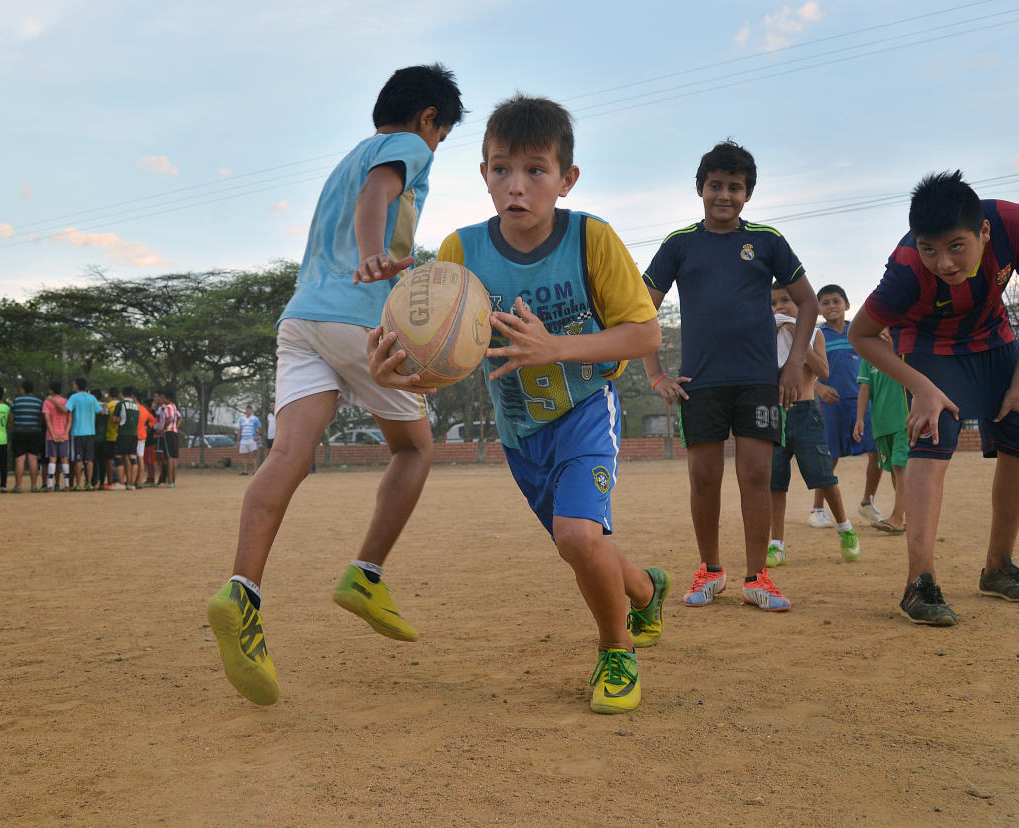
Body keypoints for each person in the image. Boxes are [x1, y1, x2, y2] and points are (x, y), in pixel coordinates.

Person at [378, 94, 671, 714]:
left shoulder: (593, 238)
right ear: (483, 174)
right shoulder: (460, 254)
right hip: (519, 430)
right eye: (501, 168)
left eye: (536, 170)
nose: (518, 186)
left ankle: (615, 650)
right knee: (582, 543)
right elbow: (446, 355)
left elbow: (644, 334)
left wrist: (555, 346)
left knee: (576, 535)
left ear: (566, 179)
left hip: (586, 409)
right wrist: (407, 374)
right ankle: (646, 590)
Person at [206, 64, 465, 707]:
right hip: (358, 318)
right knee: (414, 448)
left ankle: (243, 591)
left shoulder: (343, 159)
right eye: (442, 136)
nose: (435, 150)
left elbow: (359, 196)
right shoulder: (403, 147)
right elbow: (376, 197)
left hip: (302, 321)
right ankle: (366, 574)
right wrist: (375, 254)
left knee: (287, 456)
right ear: (429, 118)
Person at [849, 171, 1019, 626]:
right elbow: (861, 334)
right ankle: (919, 584)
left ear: (983, 232)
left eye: (956, 246)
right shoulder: (903, 271)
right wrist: (920, 385)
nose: (943, 263)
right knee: (931, 430)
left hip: (992, 337)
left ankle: (999, 567)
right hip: (927, 345)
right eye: (930, 249)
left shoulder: (1014, 223)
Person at [642, 139, 819, 613]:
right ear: (700, 188)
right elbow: (640, 309)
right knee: (704, 477)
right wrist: (656, 374)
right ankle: (710, 570)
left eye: (735, 187)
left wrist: (793, 364)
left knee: (756, 474)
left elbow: (808, 301)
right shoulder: (679, 245)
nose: (724, 195)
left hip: (758, 379)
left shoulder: (766, 241)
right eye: (715, 185)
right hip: (699, 383)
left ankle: (758, 577)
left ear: (749, 194)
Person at [767, 286, 860, 567]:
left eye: (786, 301)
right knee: (775, 483)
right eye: (773, 303)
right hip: (775, 415)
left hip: (806, 412)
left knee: (823, 477)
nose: (780, 308)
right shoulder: (765, 336)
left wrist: (800, 340)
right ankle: (777, 543)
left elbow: (823, 371)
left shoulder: (815, 333)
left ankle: (845, 528)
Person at [810, 284, 884, 528]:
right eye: (825, 303)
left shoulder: (860, 333)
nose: (831, 306)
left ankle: (867, 502)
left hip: (863, 402)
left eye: (836, 301)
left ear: (847, 305)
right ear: (819, 309)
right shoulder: (817, 335)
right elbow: (806, 367)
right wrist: (819, 388)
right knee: (829, 456)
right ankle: (818, 509)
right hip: (832, 405)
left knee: (876, 452)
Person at [854, 330, 909, 533]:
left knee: (900, 466)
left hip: (905, 418)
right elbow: (864, 389)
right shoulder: (868, 356)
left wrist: (892, 350)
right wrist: (859, 419)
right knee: (895, 471)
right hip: (881, 424)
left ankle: (897, 517)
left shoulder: (904, 351)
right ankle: (907, 516)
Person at [66, 377, 104, 492]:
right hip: (90, 433)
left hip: (77, 433)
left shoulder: (73, 397)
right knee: (89, 460)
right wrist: (105, 405)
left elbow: (66, 409)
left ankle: (77, 484)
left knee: (78, 460)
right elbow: (101, 412)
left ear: (77, 386)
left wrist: (53, 401)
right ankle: (88, 484)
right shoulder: (92, 398)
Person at [11, 380, 44, 493]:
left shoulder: (16, 401)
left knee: (20, 459)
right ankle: (34, 486)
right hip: (34, 432)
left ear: (23, 389)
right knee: (33, 458)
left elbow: (11, 418)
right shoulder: (39, 402)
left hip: (19, 432)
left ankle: (18, 486)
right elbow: (41, 419)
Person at [42, 380, 71, 492]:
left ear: (52, 390)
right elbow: (69, 421)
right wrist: (65, 434)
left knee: (52, 459)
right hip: (64, 435)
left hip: (51, 434)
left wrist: (53, 434)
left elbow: (47, 420)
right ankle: (67, 485)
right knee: (64, 459)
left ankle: (49, 485)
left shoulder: (47, 402)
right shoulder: (66, 402)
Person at [112, 386, 140, 490]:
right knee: (132, 458)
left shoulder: (121, 404)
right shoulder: (136, 406)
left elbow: (114, 419)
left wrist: (119, 420)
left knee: (118, 456)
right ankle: (131, 483)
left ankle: (121, 482)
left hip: (123, 433)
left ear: (122, 393)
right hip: (134, 434)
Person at [155, 390, 181, 487]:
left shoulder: (167, 408)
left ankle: (169, 481)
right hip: (174, 432)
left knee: (169, 457)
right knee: (174, 457)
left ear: (167, 398)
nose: (162, 399)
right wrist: (176, 427)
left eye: (163, 398)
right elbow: (179, 417)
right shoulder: (174, 406)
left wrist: (164, 429)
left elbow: (169, 419)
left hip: (168, 433)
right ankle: (172, 481)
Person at [104, 387, 122, 489]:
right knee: (122, 459)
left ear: (109, 396)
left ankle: (110, 482)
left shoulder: (108, 406)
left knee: (109, 460)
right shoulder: (122, 405)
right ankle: (121, 481)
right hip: (121, 436)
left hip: (110, 436)